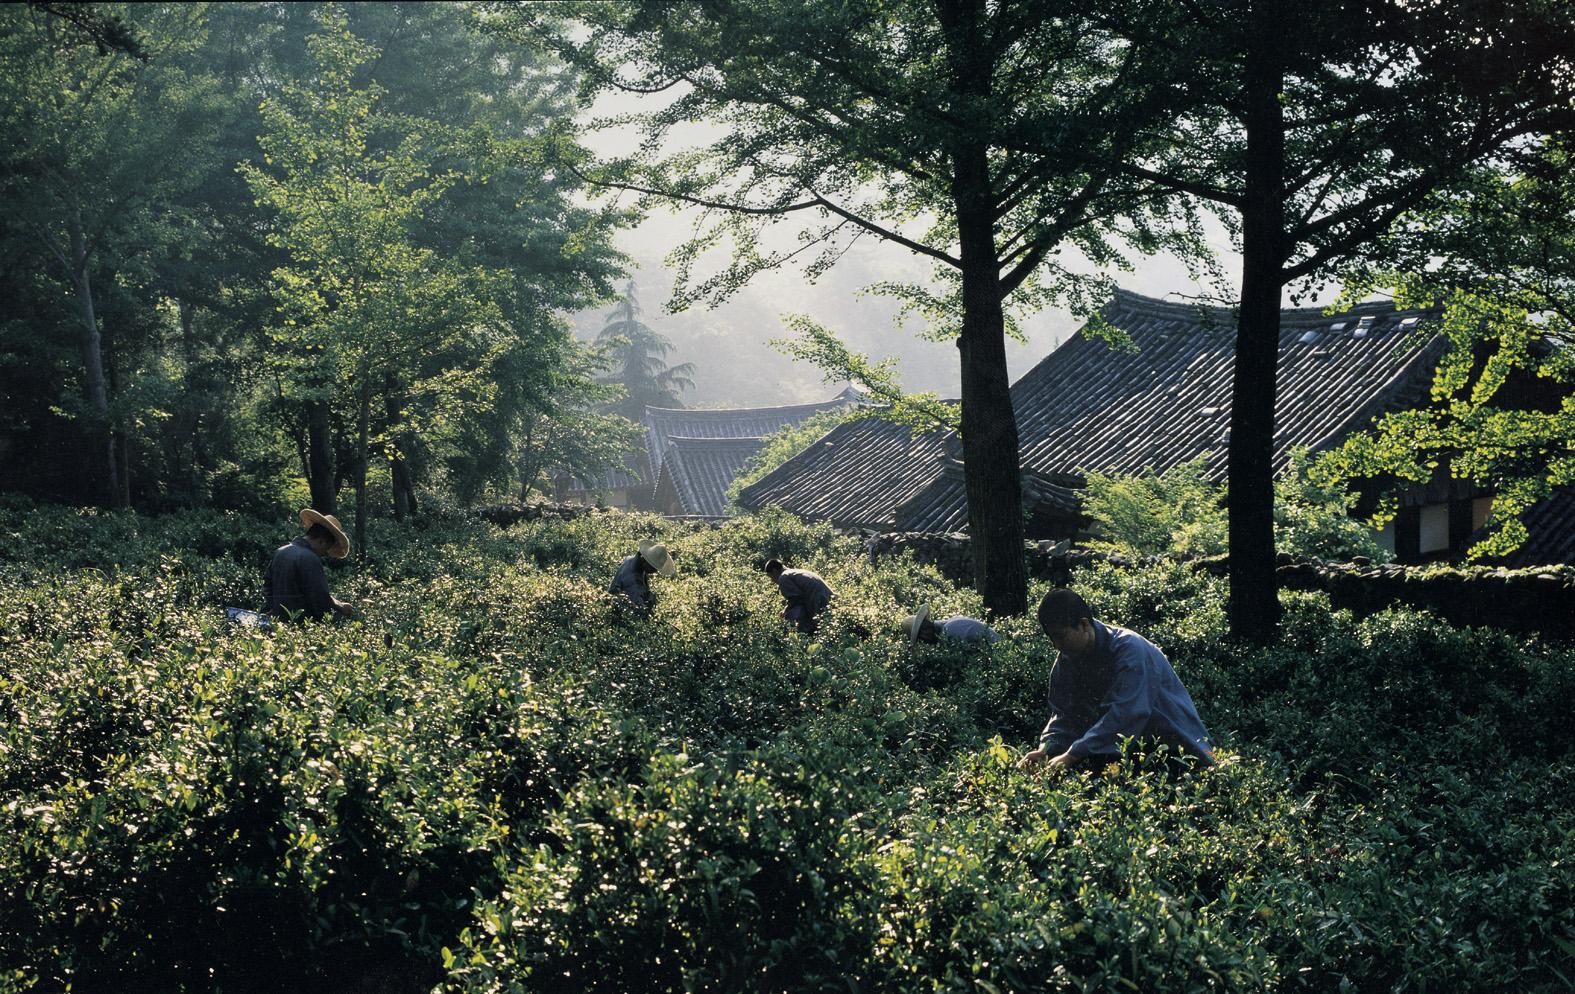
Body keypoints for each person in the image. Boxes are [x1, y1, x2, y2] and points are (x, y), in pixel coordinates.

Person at [1018, 588, 1214, 773]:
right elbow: (1063, 714)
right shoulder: (1067, 658)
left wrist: (1072, 755)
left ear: (1084, 624)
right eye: (1051, 638)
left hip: (1182, 755)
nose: (1056, 645)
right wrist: (1047, 749)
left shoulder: (1130, 649)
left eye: (1060, 637)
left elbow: (1125, 713)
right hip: (1127, 759)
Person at [263, 509, 354, 623]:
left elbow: (267, 587)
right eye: (325, 550)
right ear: (321, 542)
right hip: (300, 626)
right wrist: (339, 610)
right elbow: (319, 598)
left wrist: (276, 611)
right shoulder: (310, 558)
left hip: (277, 623)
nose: (323, 554)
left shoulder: (281, 551)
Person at [764, 558, 833, 636]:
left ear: (774, 571)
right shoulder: (793, 572)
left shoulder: (783, 577)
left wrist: (785, 611)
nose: (772, 581)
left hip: (819, 600)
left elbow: (796, 598)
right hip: (829, 597)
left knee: (792, 614)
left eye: (771, 577)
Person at [609, 539, 676, 612]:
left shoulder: (631, 559)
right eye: (653, 567)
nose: (655, 571)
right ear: (644, 560)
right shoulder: (634, 583)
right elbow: (640, 612)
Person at [903, 603, 1000, 645]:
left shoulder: (949, 630)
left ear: (927, 625)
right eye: (920, 638)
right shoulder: (945, 628)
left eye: (923, 630)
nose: (925, 638)